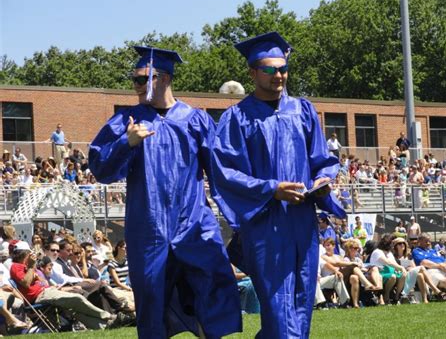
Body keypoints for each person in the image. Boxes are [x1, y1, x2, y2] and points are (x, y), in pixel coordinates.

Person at [88, 46, 241, 338]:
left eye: (144, 78)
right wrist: (126, 143)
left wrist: (241, 219)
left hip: (194, 224)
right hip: (149, 229)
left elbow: (221, 174)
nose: (137, 85)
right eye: (134, 79)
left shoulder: (196, 120)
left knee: (213, 288)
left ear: (166, 78)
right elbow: (101, 169)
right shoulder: (126, 122)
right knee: (151, 302)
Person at [211, 32, 345, 338]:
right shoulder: (237, 118)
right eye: (270, 70)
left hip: (302, 221)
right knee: (278, 308)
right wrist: (272, 189)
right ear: (253, 72)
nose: (279, 75)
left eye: (283, 69)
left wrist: (323, 181)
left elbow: (321, 159)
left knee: (301, 304)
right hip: (265, 225)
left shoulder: (303, 110)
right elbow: (225, 173)